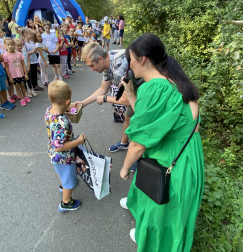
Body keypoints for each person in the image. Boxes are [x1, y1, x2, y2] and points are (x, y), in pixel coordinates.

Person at [119, 33, 204, 251]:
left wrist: (125, 168)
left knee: (159, 210)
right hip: (189, 159)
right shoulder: (178, 83)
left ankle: (150, 241)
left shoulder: (153, 87)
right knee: (175, 216)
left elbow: (139, 143)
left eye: (130, 58)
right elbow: (155, 124)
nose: (129, 64)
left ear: (143, 59)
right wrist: (130, 95)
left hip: (170, 161)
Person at [75, 42, 142, 164]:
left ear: (100, 59)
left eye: (91, 65)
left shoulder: (118, 70)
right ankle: (124, 143)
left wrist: (106, 99)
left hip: (144, 92)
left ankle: (138, 157)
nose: (91, 69)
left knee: (139, 123)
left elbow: (127, 100)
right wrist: (82, 103)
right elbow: (102, 89)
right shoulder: (108, 61)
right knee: (128, 118)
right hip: (135, 91)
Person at [45, 80, 86, 211]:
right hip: (64, 157)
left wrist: (64, 108)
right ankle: (66, 202)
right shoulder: (62, 122)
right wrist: (79, 141)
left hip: (53, 154)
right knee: (70, 179)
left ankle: (63, 185)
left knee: (61, 173)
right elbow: (59, 146)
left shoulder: (49, 111)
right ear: (68, 101)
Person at [3, 37, 31, 106]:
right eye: (8, 45)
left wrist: (26, 74)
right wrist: (10, 77)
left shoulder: (19, 54)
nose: (11, 46)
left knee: (23, 85)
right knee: (17, 87)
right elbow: (6, 67)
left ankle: (25, 97)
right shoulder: (5, 55)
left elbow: (23, 64)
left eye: (12, 44)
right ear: (5, 46)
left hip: (21, 73)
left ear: (14, 45)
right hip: (13, 75)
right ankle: (21, 99)